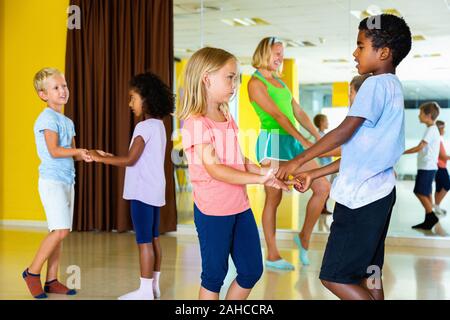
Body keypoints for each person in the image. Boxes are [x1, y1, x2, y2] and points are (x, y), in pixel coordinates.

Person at [277, 14, 412, 300]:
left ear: (383, 52)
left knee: (334, 276)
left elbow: (343, 133)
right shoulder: (394, 87)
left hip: (360, 199)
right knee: (371, 271)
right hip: (381, 193)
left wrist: (297, 161)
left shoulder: (374, 85)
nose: (354, 52)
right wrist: (314, 173)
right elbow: (360, 153)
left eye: (361, 46)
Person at [178, 47, 288, 300]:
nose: (236, 84)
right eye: (230, 77)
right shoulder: (196, 123)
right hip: (212, 212)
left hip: (239, 207)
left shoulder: (226, 114)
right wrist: (259, 179)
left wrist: (267, 172)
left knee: (251, 270)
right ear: (207, 78)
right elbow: (215, 169)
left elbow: (238, 161)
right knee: (214, 276)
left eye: (237, 77)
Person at [89, 72, 174, 300]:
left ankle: (145, 292)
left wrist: (99, 157)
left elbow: (129, 160)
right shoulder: (159, 126)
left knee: (143, 241)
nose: (130, 103)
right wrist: (109, 156)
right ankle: (154, 286)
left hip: (142, 192)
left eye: (132, 98)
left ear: (145, 99)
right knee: (154, 238)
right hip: (154, 191)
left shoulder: (144, 127)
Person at [248, 37, 331, 269]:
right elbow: (278, 116)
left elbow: (298, 112)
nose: (280, 58)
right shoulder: (255, 83)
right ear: (264, 53)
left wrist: (317, 136)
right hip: (272, 142)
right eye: (276, 53)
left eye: (282, 54)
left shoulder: (280, 83)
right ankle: (272, 255)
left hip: (291, 142)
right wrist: (303, 139)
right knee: (273, 198)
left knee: (323, 187)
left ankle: (304, 236)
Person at [23, 67, 92, 299]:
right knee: (60, 231)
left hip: (67, 180)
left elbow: (70, 152)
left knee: (60, 231)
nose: (63, 90)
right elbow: (54, 150)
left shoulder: (67, 120)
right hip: (52, 181)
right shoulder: (46, 118)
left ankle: (51, 280)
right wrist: (78, 150)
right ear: (43, 94)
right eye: (56, 87)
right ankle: (32, 273)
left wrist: (86, 153)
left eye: (64, 86)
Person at [404, 102, 441, 230]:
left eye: (420, 113)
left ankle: (431, 216)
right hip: (428, 167)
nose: (419, 116)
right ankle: (428, 219)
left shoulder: (431, 130)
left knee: (419, 191)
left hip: (427, 167)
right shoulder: (432, 129)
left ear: (428, 115)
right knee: (427, 193)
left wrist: (402, 152)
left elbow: (420, 147)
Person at [434, 120, 450, 215]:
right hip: (440, 167)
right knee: (446, 185)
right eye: (443, 128)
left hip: (440, 167)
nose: (444, 130)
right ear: (439, 129)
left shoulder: (439, 139)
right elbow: (443, 156)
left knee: (439, 188)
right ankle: (436, 206)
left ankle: (437, 207)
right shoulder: (438, 140)